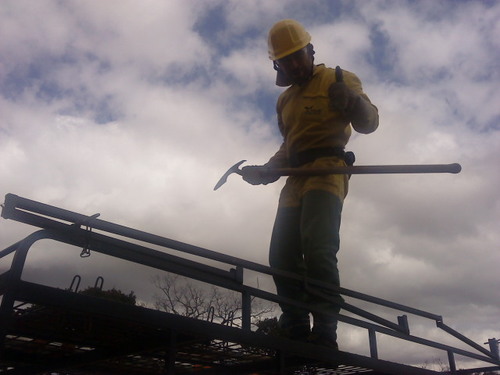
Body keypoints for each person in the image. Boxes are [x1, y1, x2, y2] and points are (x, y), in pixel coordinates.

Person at [241, 19, 379, 348]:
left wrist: (353, 101)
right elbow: (288, 147)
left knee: (317, 249)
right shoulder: (284, 101)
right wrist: (268, 169)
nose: (293, 64)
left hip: (327, 170)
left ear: (311, 50)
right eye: (284, 60)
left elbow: (370, 123)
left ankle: (325, 329)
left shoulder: (337, 79)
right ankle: (296, 324)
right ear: (276, 63)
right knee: (281, 254)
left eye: (297, 56)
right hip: (295, 176)